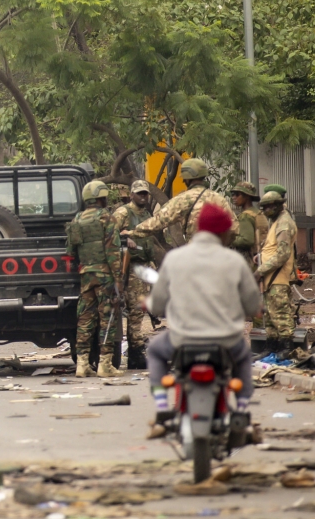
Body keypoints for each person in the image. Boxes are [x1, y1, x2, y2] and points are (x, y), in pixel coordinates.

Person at [145, 203, 261, 431]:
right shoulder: (234, 261)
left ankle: (161, 407)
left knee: (155, 351)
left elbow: (157, 305)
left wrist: (150, 305)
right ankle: (242, 409)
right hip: (225, 341)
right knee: (244, 358)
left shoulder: (174, 258)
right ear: (222, 232)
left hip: (182, 340)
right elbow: (252, 304)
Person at [66, 180, 124, 378]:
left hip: (86, 276)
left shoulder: (77, 219)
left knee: (85, 319)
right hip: (105, 275)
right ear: (101, 198)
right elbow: (112, 250)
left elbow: (71, 251)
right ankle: (104, 364)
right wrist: (118, 279)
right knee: (107, 318)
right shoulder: (107, 218)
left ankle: (82, 364)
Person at [125, 158, 238, 247]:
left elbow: (158, 221)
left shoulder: (182, 200)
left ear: (186, 179)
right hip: (218, 256)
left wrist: (131, 233)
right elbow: (234, 228)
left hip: (195, 255)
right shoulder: (219, 198)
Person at [113, 179, 156, 369]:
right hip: (130, 267)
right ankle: (136, 353)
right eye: (139, 193)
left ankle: (135, 352)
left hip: (144, 265)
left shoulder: (146, 213)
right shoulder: (123, 212)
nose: (143, 196)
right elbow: (109, 235)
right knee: (136, 310)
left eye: (145, 193)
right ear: (131, 195)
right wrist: (125, 238)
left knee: (141, 310)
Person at [255, 190, 298, 360]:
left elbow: (282, 254)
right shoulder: (276, 222)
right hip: (270, 278)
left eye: (266, 208)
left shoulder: (284, 224)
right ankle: (271, 346)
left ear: (275, 206)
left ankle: (286, 348)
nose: (264, 211)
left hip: (277, 278)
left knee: (280, 314)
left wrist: (260, 271)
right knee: (270, 315)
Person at [229, 181, 268, 271]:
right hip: (262, 257)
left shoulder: (246, 216)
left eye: (237, 194)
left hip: (251, 260)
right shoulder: (259, 213)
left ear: (247, 196)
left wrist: (229, 240)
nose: (234, 197)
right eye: (233, 194)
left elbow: (246, 240)